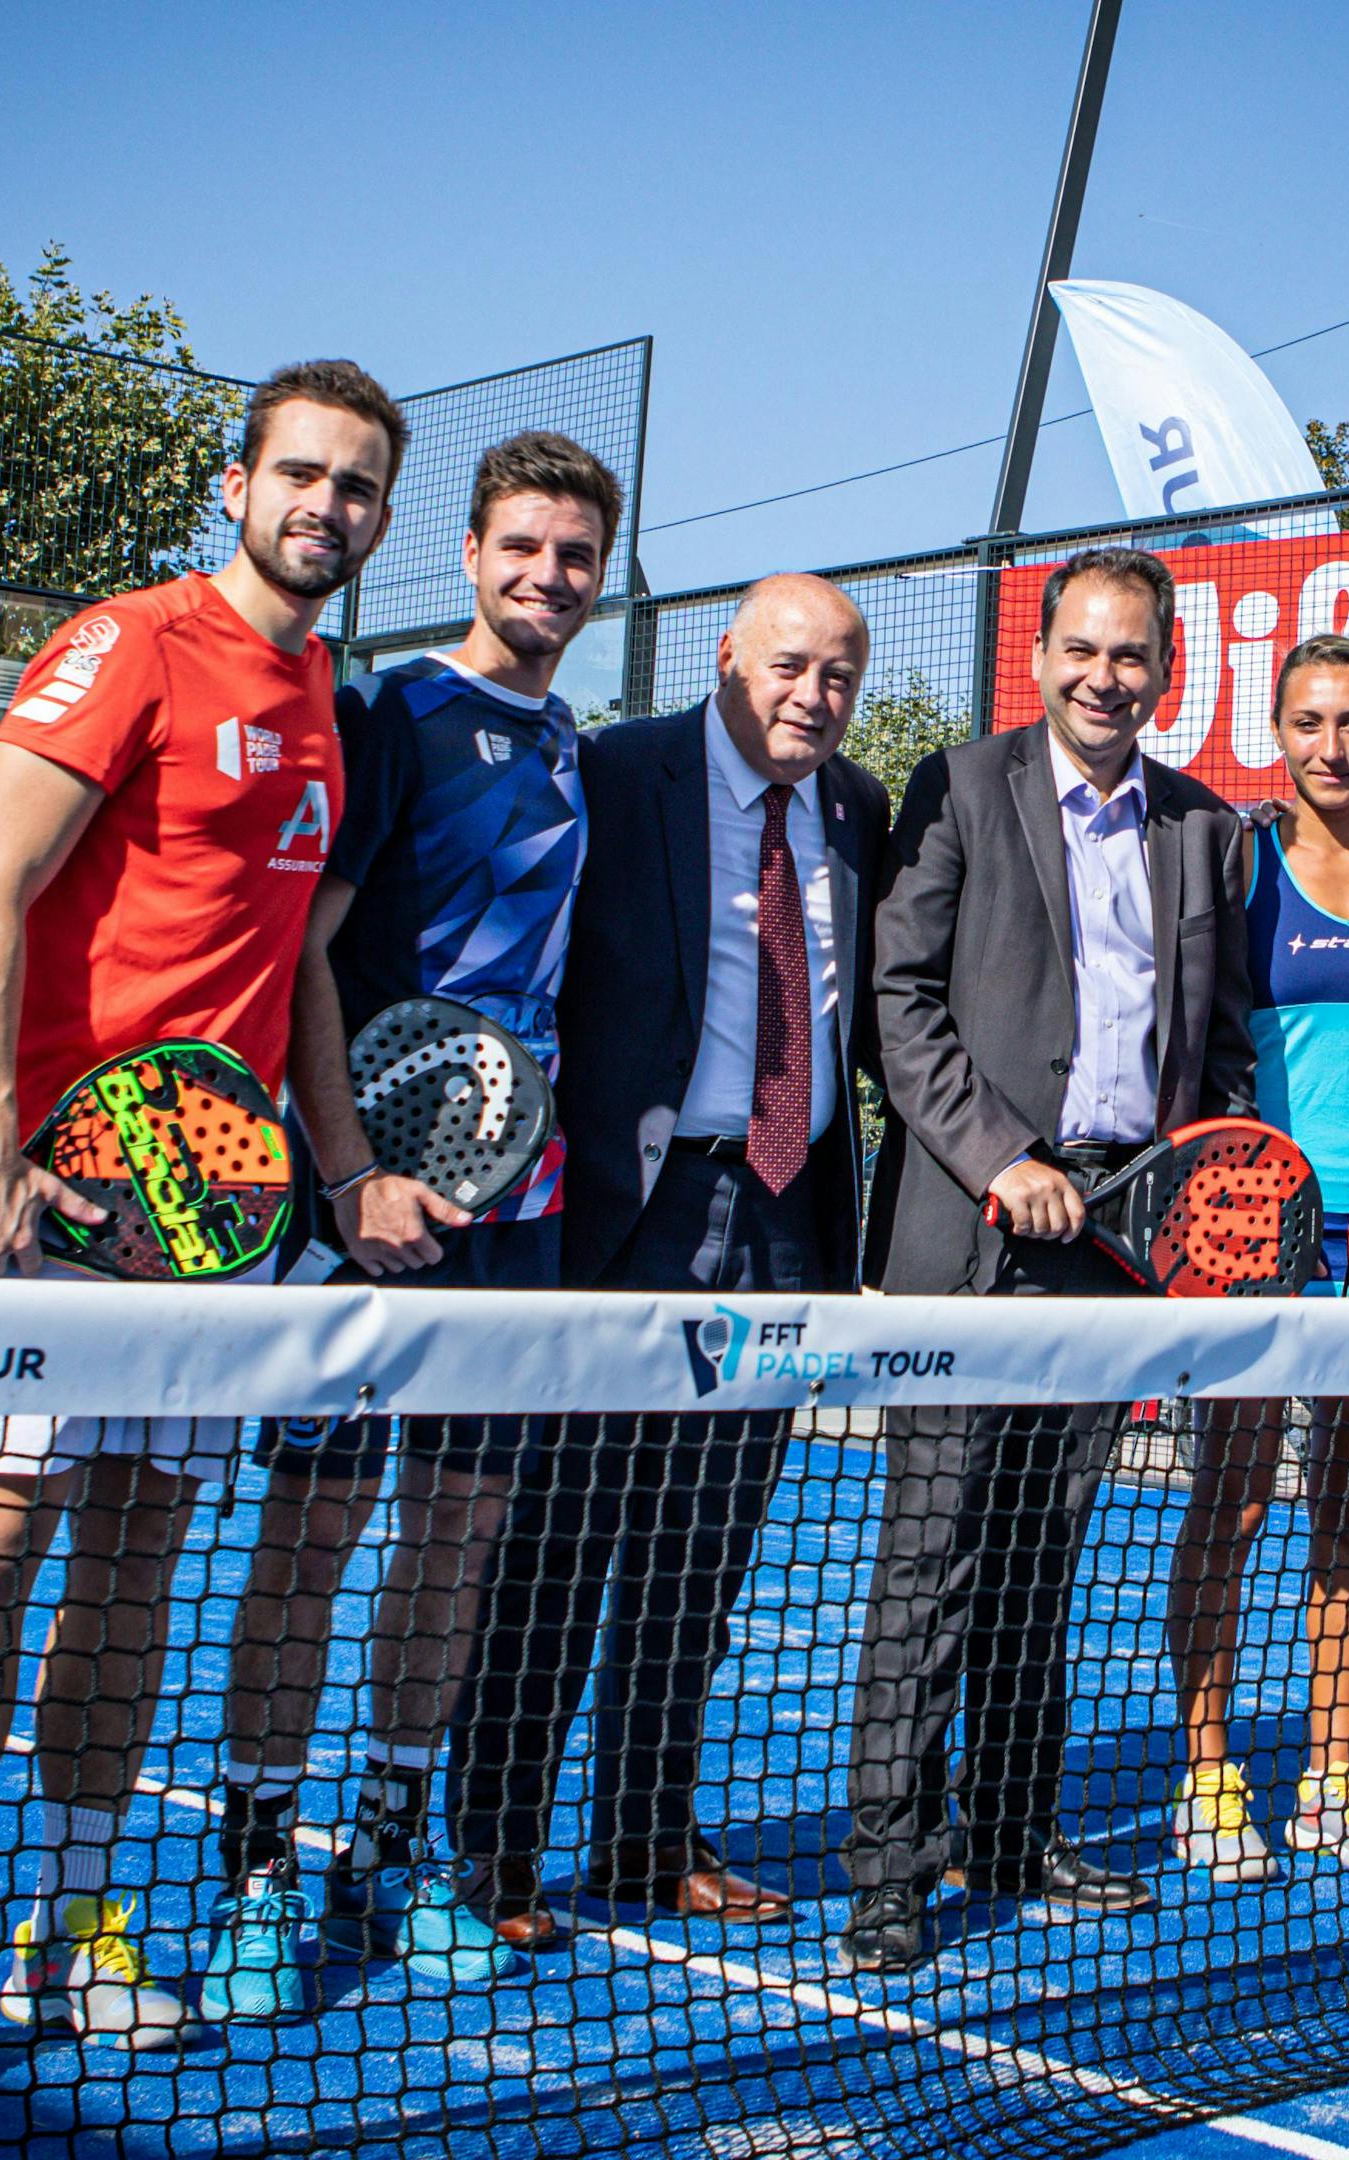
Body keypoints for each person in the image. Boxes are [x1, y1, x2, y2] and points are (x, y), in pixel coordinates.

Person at [0, 360, 398, 2106]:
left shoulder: (322, 698)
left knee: (141, 1564)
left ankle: (73, 1927)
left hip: (206, 1239)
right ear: (238, 484)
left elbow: (293, 960)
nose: (325, 506)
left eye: (357, 486)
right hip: (55, 1207)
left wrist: (338, 1170)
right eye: (300, 474)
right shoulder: (129, 643)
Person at [209, 430, 619, 2010]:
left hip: (516, 1212)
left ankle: (389, 1861)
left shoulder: (580, 746)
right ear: (468, 553)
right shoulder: (390, 716)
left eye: (576, 555)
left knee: (453, 1539)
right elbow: (306, 949)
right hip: (357, 1207)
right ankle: (255, 1878)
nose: (547, 576)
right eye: (522, 547)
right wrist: (345, 1169)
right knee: (309, 1537)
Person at [446, 575, 891, 1950]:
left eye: (839, 677)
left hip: (780, 1224)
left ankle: (647, 1837)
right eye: (790, 667)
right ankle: (496, 1854)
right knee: (554, 1545)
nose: (813, 697)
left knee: (703, 1561)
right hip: (616, 1217)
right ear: (727, 661)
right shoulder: (617, 766)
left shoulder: (861, 810)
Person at [843, 545, 1257, 1975]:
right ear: (1039, 655)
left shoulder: (1208, 828)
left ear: (1167, 670)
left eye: (1132, 654)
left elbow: (1221, 1051)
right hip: (971, 1235)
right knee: (932, 1557)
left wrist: (1198, 1197)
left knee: (1043, 1555)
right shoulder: (955, 788)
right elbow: (900, 1006)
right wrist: (996, 1159)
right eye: (1083, 649)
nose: (1105, 676)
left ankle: (1013, 1832)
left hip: (1114, 1254)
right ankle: (892, 1870)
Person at [1166, 634, 1349, 1885]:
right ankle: (1209, 1777)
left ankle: (1335, 1774)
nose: (1329, 747)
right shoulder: (1239, 864)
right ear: (1274, 732)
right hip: (1258, 1230)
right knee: (1230, 1503)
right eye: (1307, 723)